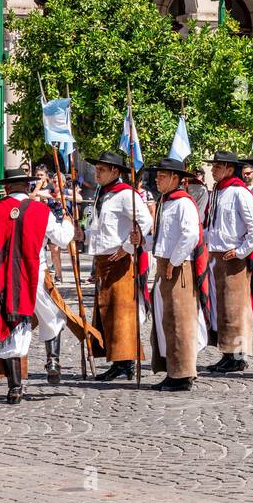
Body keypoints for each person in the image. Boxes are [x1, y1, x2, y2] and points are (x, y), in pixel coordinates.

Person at [0, 167, 75, 402]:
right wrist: (67, 222)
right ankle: (52, 360)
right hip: (32, 276)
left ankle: (14, 388)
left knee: (9, 327)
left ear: (6, 188)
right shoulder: (41, 210)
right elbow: (63, 239)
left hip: (2, 279)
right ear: (27, 187)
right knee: (53, 317)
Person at [133, 156, 208, 390]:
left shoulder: (183, 202)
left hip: (179, 266)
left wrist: (174, 262)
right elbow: (162, 238)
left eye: (162, 176)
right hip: (166, 263)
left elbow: (190, 235)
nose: (157, 180)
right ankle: (173, 370)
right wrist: (142, 242)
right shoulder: (166, 202)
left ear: (175, 178)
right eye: (156, 176)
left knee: (181, 321)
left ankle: (184, 373)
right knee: (167, 320)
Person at [84, 151, 154, 382]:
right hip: (103, 258)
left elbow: (145, 221)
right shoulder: (101, 195)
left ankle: (125, 362)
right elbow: (98, 227)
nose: (97, 172)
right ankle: (116, 359)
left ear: (115, 171)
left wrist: (128, 246)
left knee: (121, 311)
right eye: (97, 168)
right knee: (106, 312)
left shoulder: (126, 195)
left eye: (102, 169)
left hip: (119, 259)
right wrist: (82, 237)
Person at [204, 150, 253, 374]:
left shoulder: (240, 192)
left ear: (229, 168)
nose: (213, 169)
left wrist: (240, 251)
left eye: (217, 166)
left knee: (236, 310)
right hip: (217, 256)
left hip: (233, 258)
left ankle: (238, 356)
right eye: (213, 166)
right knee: (222, 309)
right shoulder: (218, 192)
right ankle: (227, 352)